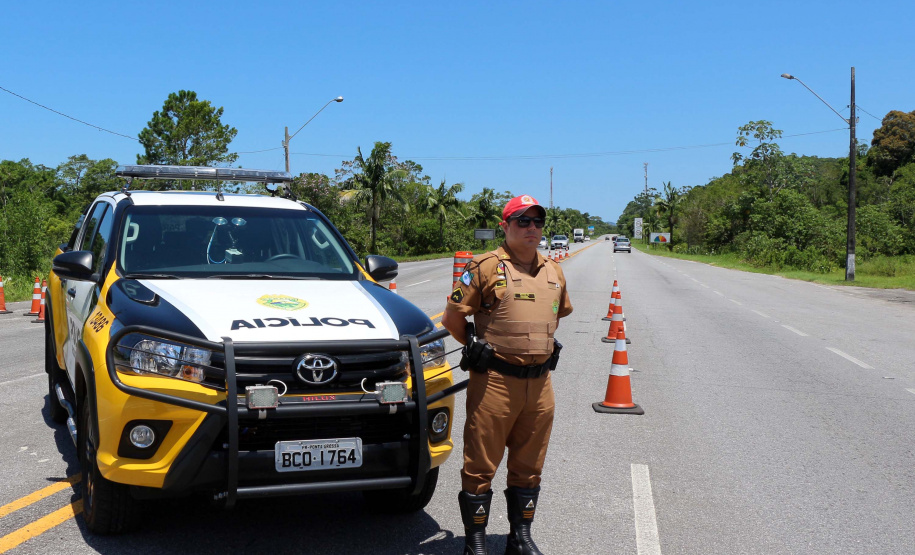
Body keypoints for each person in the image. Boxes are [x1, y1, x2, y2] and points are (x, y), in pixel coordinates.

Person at [442, 194, 573, 555]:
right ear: (506, 226)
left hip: (540, 384)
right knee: (481, 463)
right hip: (495, 382)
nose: (532, 228)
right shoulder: (484, 266)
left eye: (537, 222)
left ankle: (520, 537)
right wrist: (471, 341)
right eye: (522, 221)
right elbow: (452, 317)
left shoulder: (553, 270)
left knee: (530, 465)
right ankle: (476, 542)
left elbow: (556, 314)